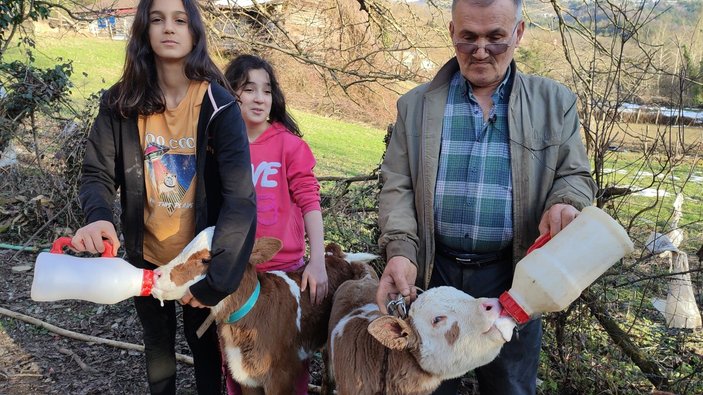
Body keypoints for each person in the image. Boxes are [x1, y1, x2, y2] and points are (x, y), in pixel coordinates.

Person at [375, 0, 598, 394]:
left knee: (510, 386)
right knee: (427, 386)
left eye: (495, 38)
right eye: (468, 38)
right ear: (451, 33)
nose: (480, 51)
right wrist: (400, 251)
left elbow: (574, 175)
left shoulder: (554, 103)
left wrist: (565, 201)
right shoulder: (415, 106)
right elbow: (398, 186)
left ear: (518, 33)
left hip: (513, 276)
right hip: (432, 276)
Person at [70, 0, 257, 393]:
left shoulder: (219, 105)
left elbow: (240, 198)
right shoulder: (120, 103)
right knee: (157, 345)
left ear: (194, 33)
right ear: (144, 30)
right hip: (146, 256)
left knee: (205, 348)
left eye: (179, 20)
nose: (168, 28)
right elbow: (97, 173)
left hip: (197, 262)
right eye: (157, 19)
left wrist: (216, 281)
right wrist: (98, 215)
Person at [223, 54, 327, 394]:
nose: (258, 98)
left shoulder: (289, 146)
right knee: (238, 362)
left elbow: (310, 200)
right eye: (248, 89)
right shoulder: (221, 145)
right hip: (236, 275)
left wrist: (318, 260)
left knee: (286, 366)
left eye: (266, 90)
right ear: (230, 93)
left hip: (284, 275)